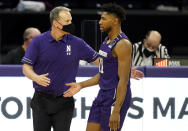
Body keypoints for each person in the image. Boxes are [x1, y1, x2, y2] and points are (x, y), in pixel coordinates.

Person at [21, 6, 99, 131]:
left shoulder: (77, 43)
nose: (71, 24)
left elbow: (100, 61)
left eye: (71, 20)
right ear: (56, 23)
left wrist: (123, 68)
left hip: (65, 100)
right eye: (67, 21)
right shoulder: (38, 41)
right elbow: (26, 67)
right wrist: (35, 77)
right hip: (41, 100)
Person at [64, 3, 132, 131]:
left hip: (114, 96)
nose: (100, 22)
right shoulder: (106, 41)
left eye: (103, 19)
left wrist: (116, 110)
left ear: (115, 20)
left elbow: (124, 80)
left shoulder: (123, 44)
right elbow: (102, 75)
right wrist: (80, 85)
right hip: (103, 94)